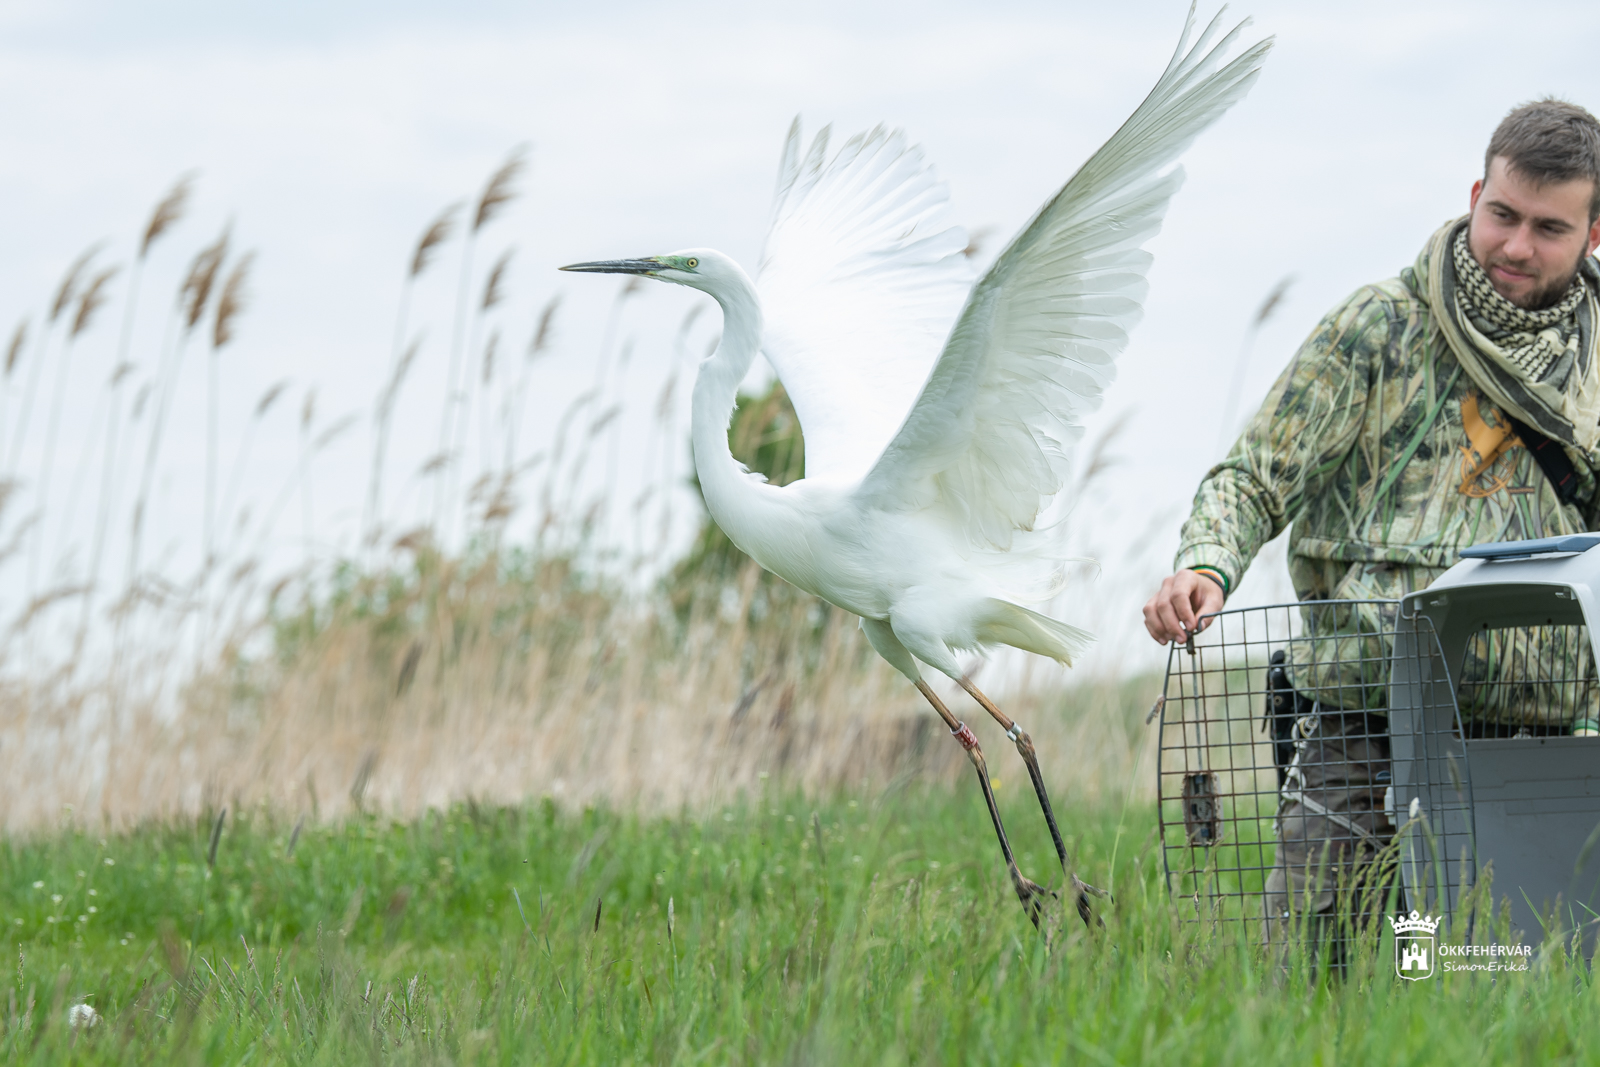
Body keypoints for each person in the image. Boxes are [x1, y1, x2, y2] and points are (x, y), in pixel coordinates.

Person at [1142, 98, 1600, 962]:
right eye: (1501, 214)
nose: (1513, 245)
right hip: (1362, 722)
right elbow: (1255, 473)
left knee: (1501, 976)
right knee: (1308, 977)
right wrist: (1204, 566)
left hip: (1541, 739)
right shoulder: (1378, 329)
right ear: (1475, 193)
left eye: (1548, 227)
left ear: (1593, 235)